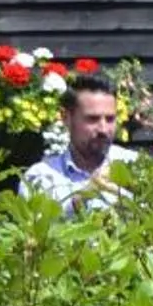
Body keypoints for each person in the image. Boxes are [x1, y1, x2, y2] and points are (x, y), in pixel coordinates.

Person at [19, 70, 130, 210]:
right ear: (66, 117)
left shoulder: (133, 164)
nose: (103, 129)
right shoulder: (41, 177)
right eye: (92, 119)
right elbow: (35, 227)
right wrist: (80, 198)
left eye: (110, 119)